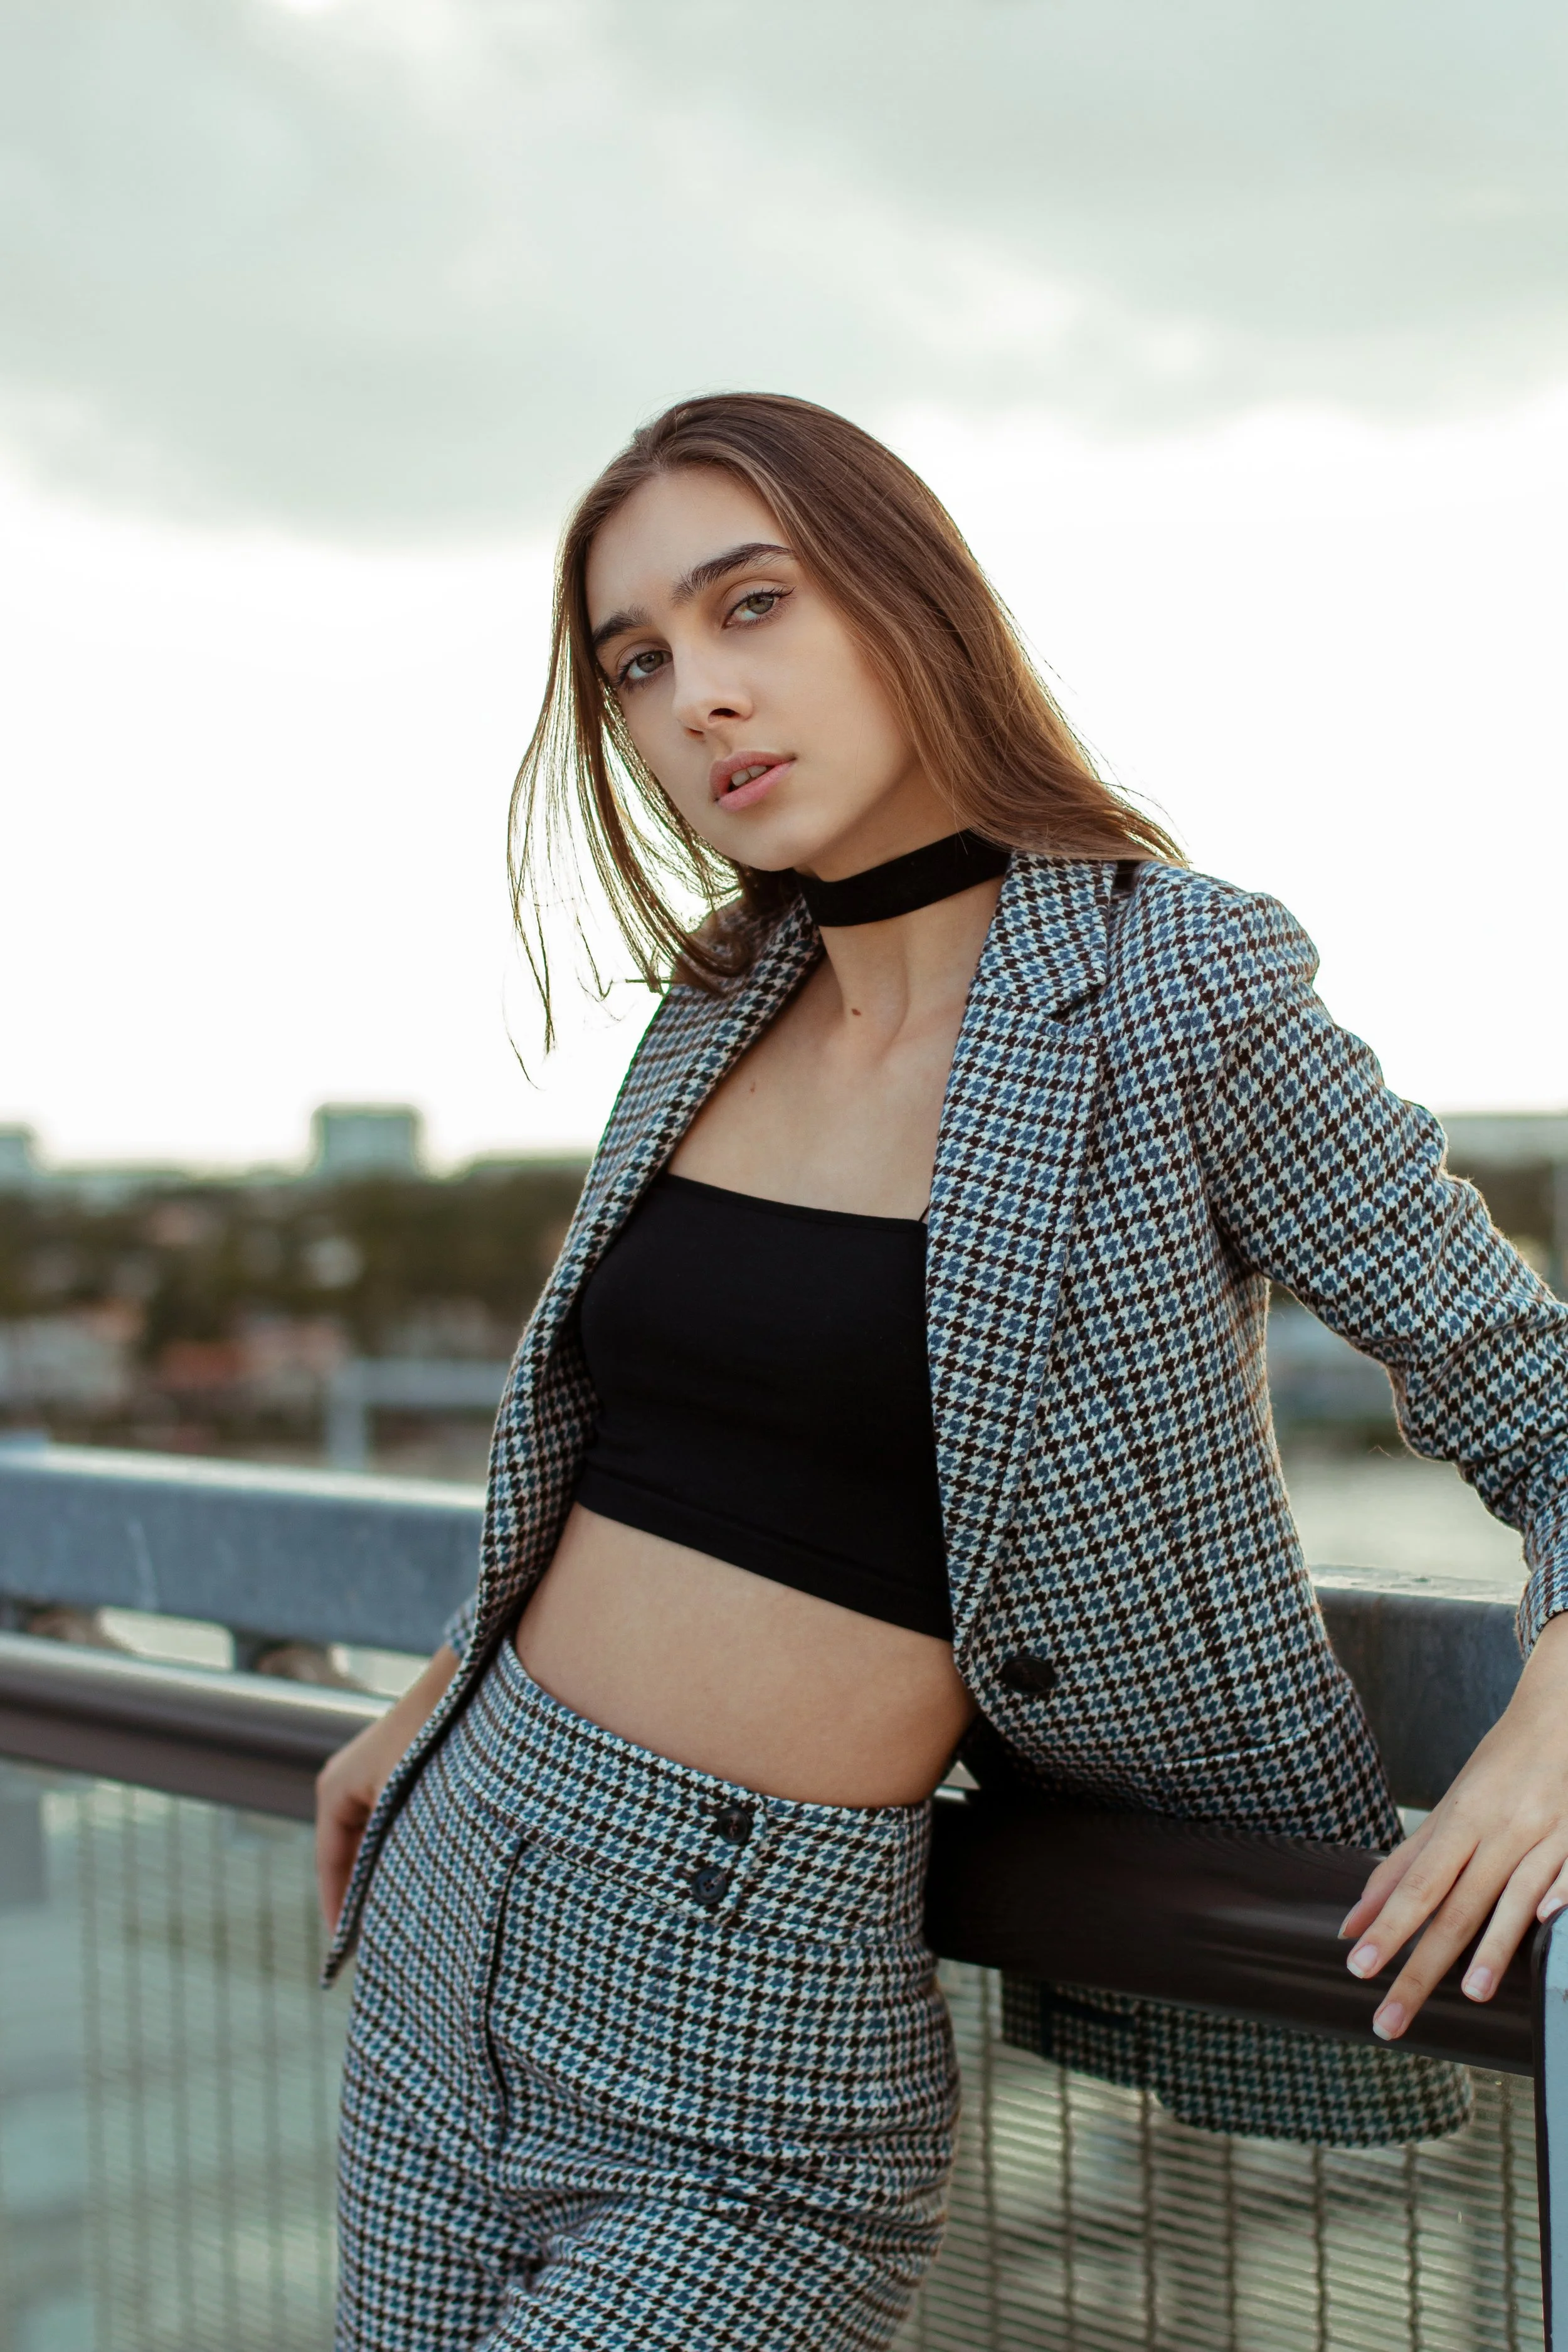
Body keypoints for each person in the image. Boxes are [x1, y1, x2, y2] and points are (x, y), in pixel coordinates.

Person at [317, 392, 1568, 2352]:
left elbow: (1542, 1401)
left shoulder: (1177, 983)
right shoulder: (721, 1004)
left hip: (749, 2039)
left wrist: (1557, 1712)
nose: (695, 699)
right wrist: (446, 1692)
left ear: (907, 603)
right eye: (637, 662)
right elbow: (639, 1439)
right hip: (450, 1895)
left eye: (751, 609)